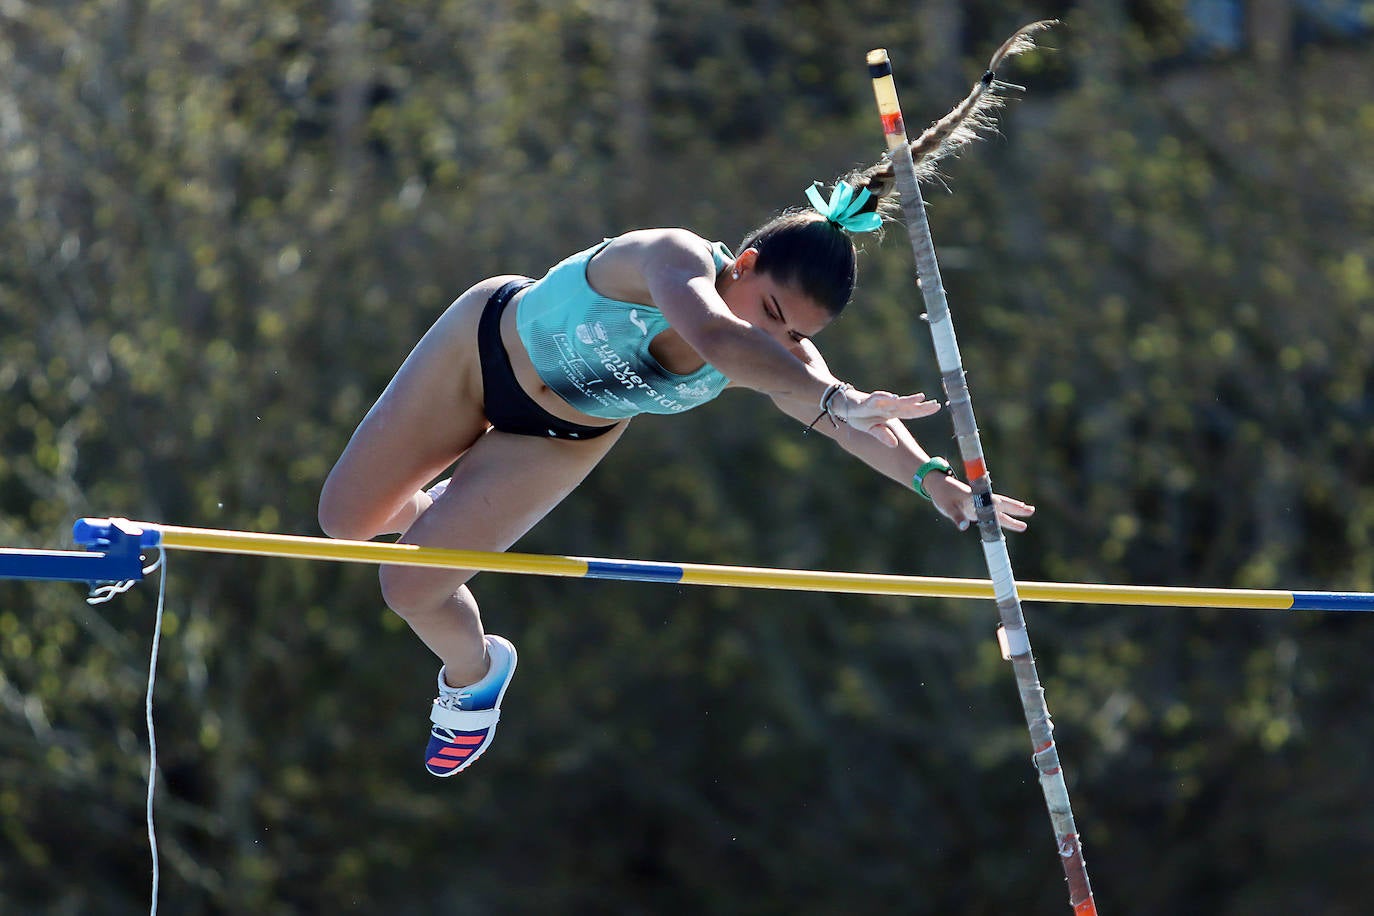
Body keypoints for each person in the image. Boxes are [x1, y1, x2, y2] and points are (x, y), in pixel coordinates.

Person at [317, 67, 1039, 777]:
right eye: (773, 315)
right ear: (744, 264)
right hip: (477, 354)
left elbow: (845, 417)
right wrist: (833, 396)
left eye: (795, 338)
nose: (774, 341)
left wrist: (933, 481)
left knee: (407, 587)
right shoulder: (673, 257)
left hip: (559, 435)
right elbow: (720, 339)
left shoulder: (780, 360)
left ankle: (474, 676)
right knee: (344, 522)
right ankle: (439, 514)